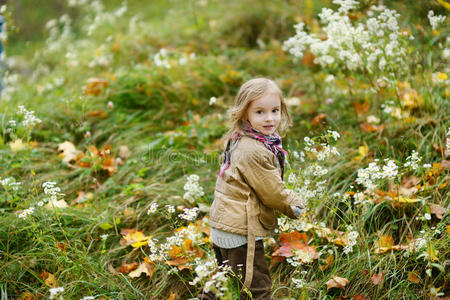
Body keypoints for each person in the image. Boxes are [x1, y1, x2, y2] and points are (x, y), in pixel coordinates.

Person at [198, 78, 306, 299]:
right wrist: (293, 204)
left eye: (275, 110)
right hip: (240, 231)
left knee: (226, 279)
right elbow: (272, 191)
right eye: (259, 112)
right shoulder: (253, 149)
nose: (269, 118)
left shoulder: (243, 137)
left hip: (225, 224)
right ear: (244, 113)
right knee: (256, 287)